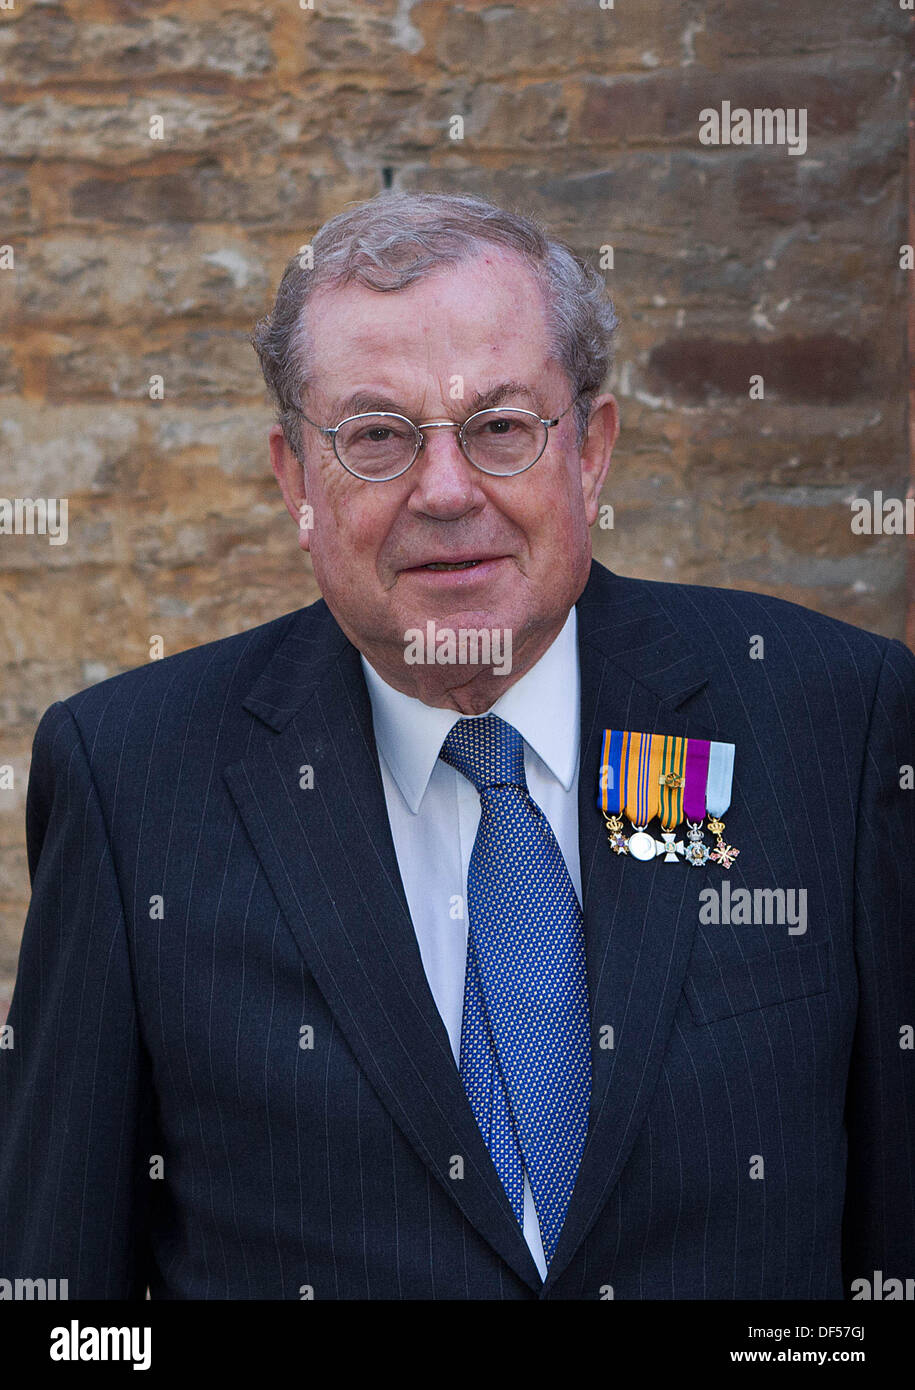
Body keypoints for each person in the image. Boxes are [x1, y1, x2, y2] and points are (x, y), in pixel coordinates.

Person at [1, 190, 913, 1300]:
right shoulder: (132, 781)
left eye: (499, 427)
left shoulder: (832, 724)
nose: (445, 490)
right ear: (295, 478)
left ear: (590, 452)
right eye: (377, 436)